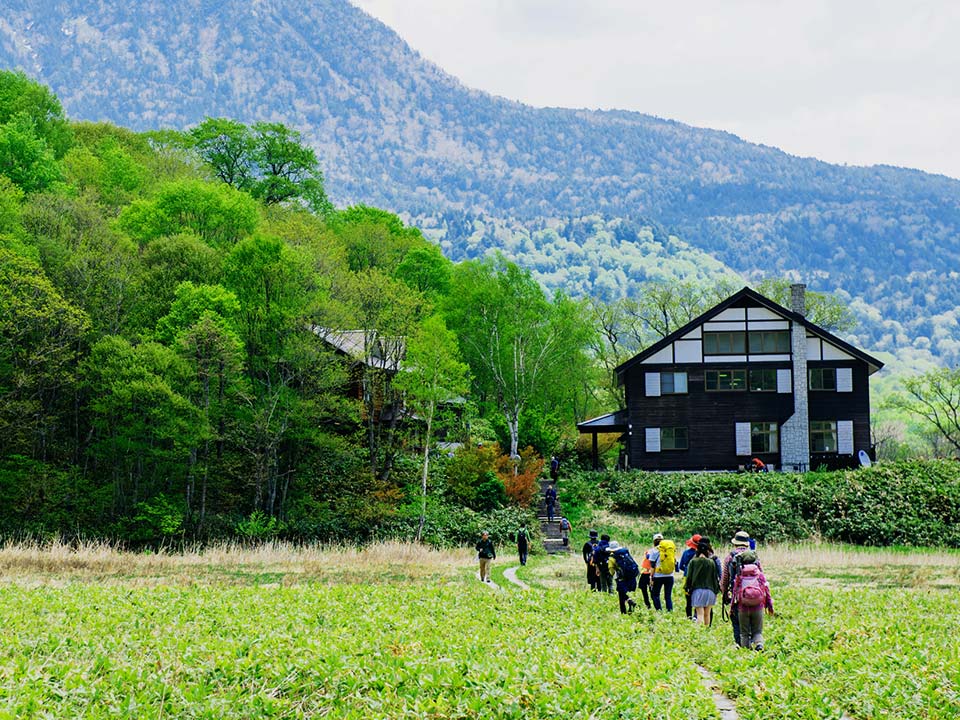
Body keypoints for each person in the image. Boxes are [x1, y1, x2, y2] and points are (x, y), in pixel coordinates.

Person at [720, 530, 759, 646]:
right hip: (754, 595)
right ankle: (753, 643)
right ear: (747, 544)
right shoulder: (754, 557)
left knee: (737, 621)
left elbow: (725, 579)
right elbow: (761, 576)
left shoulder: (729, 558)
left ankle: (740, 645)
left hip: (737, 596)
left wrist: (725, 594)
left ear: (735, 543)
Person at [733, 560, 774, 650]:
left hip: (742, 608)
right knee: (757, 632)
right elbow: (766, 591)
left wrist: (732, 608)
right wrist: (770, 606)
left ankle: (746, 652)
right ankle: (759, 645)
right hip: (758, 607)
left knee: (744, 633)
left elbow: (734, 592)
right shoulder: (760, 575)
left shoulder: (739, 576)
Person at [684, 537, 721, 626]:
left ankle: (700, 633)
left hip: (697, 591)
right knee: (707, 614)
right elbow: (715, 578)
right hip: (710, 591)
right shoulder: (711, 562)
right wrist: (716, 590)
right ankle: (707, 631)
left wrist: (687, 588)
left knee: (699, 614)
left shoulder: (693, 562)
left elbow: (689, 577)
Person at [608, 542, 639, 614]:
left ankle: (624, 611)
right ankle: (631, 610)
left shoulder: (612, 558)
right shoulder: (625, 553)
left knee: (622, 595)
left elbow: (611, 571)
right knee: (631, 593)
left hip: (622, 579)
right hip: (632, 577)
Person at [648, 533, 676, 611]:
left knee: (655, 594)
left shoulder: (653, 551)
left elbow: (652, 566)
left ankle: (659, 610)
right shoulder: (669, 550)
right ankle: (669, 610)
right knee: (668, 596)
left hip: (658, 576)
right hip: (669, 575)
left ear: (654, 541)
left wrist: (651, 577)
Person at [677, 533, 703, 619]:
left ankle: (689, 617)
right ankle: (696, 615)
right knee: (697, 597)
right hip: (698, 578)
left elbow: (681, 566)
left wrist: (686, 570)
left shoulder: (686, 553)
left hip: (687, 577)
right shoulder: (701, 555)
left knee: (688, 599)